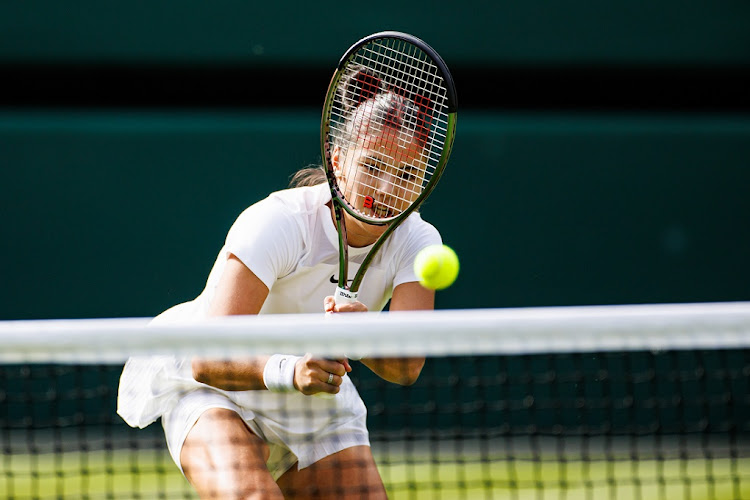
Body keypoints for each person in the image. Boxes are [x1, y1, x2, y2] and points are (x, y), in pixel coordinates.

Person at [117, 67, 444, 499]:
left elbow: (407, 366)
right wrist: (291, 369)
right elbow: (206, 358)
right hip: (215, 387)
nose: (386, 189)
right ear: (337, 161)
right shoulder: (279, 222)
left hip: (315, 404)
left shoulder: (419, 242)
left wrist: (362, 339)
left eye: (406, 174)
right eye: (373, 166)